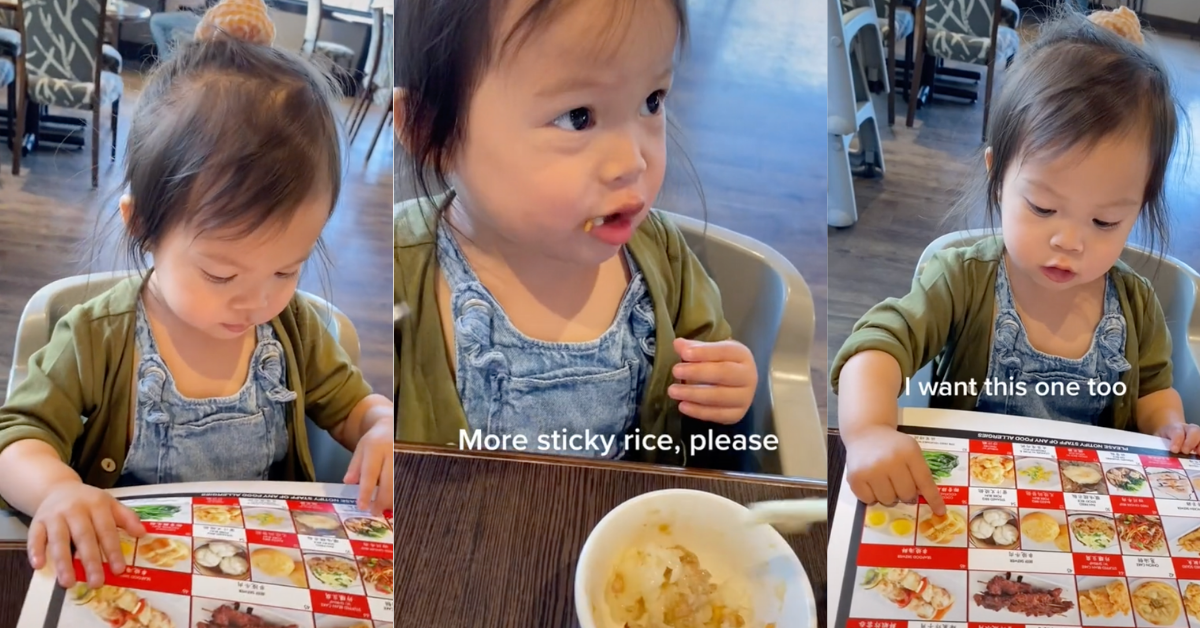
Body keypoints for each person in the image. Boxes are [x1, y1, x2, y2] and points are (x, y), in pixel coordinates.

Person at [0, 0, 393, 591]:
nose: (257, 303)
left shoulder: (297, 331)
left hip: (266, 575)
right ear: (144, 227)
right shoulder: (95, 336)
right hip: (135, 571)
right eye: (221, 275)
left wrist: (382, 425)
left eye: (287, 270)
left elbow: (353, 407)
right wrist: (58, 490)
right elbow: (15, 440)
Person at [831, 7, 1197, 515]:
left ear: (1140, 206)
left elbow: (1154, 390)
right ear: (997, 176)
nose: (1069, 241)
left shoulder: (1135, 303)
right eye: (1044, 208)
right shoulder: (962, 279)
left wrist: (1168, 428)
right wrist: (868, 430)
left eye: (1106, 222)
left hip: (1087, 509)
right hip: (967, 499)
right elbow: (875, 348)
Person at [393, 0, 758, 463]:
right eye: (578, 117)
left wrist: (724, 399)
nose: (633, 162)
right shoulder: (404, 273)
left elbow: (704, 439)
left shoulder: (663, 257)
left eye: (652, 101)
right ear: (431, 133)